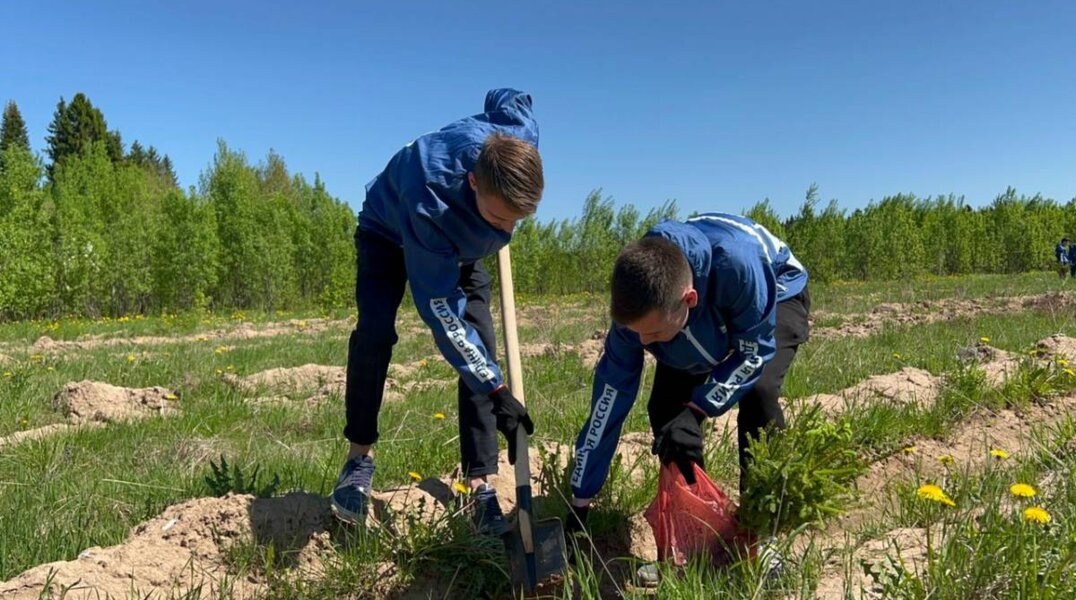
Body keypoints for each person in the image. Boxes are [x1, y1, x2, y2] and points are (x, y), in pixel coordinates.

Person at [331, 89, 543, 536]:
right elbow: (444, 314)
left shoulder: (521, 138)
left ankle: (481, 483)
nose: (508, 232)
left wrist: (506, 97)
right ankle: (358, 460)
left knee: (482, 344)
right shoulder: (432, 199)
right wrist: (496, 388)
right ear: (472, 184)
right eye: (498, 217)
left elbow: (507, 98)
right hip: (389, 232)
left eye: (517, 221)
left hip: (462, 248)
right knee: (375, 332)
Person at [565, 213, 810, 577]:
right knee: (666, 411)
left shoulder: (738, 263)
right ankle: (698, 542)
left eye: (654, 334)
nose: (644, 345)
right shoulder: (640, 311)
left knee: (759, 394)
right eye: (638, 335)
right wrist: (579, 502)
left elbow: (753, 353)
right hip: (692, 310)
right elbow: (609, 402)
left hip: (775, 288)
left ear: (688, 299)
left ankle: (764, 536)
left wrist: (698, 409)